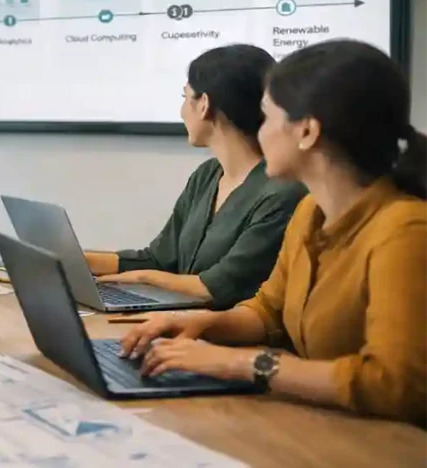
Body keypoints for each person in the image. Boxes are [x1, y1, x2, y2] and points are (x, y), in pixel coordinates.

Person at [120, 39, 427, 425]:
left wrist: (240, 363)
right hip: (322, 423)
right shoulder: (310, 212)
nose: (258, 133)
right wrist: (204, 324)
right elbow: (268, 312)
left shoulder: (406, 232)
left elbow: (394, 384)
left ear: (307, 132)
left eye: (266, 119)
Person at [85, 44, 306, 308]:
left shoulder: (282, 192)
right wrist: (79, 261)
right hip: (183, 324)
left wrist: (144, 278)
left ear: (204, 104)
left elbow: (217, 287)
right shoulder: (207, 175)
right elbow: (160, 258)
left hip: (228, 336)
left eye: (185, 96)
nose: (181, 111)